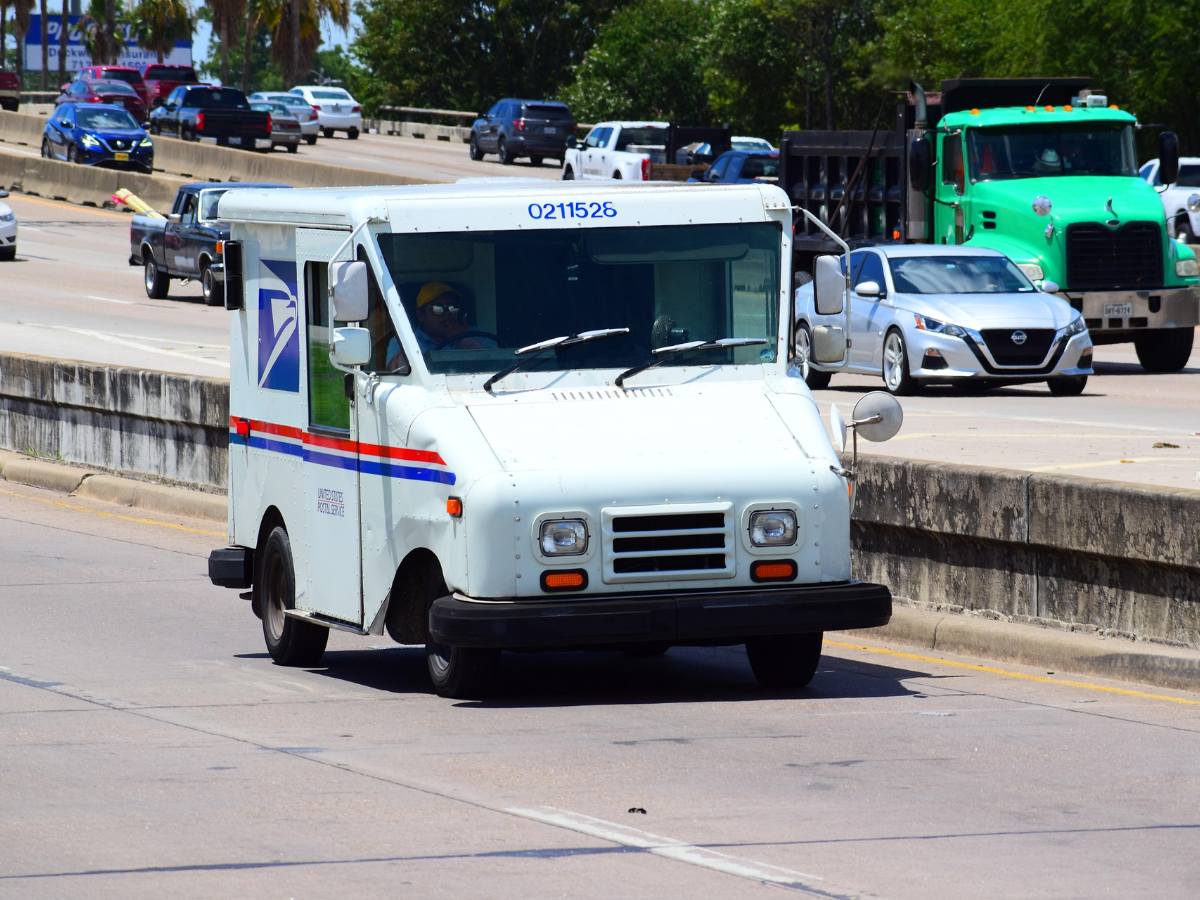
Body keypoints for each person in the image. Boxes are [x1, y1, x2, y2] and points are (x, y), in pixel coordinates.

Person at [411, 281, 495, 352]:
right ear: (420, 315)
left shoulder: (478, 335)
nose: (447, 313)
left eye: (452, 307)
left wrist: (463, 338)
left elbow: (496, 363)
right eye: (437, 308)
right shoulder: (408, 343)